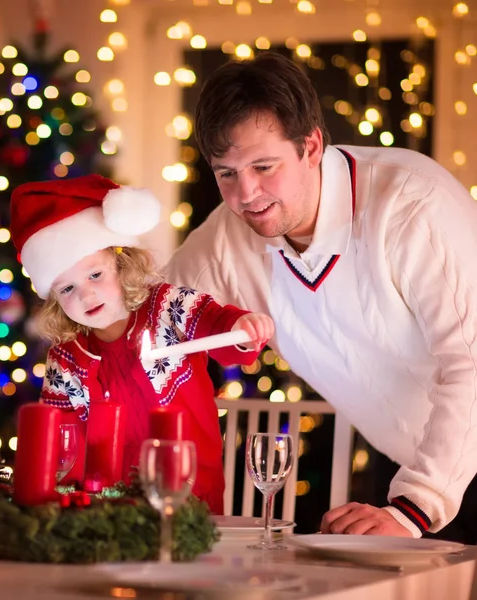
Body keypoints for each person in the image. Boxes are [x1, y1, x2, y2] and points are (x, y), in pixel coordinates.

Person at [165, 52, 477, 544]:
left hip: (445, 466)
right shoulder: (229, 237)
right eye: (226, 173)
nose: (247, 194)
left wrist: (416, 506)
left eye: (264, 166)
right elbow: (155, 320)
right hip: (405, 457)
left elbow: (472, 362)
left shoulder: (413, 205)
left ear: (311, 145)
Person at [9, 174, 274, 514]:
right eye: (67, 289)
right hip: (107, 507)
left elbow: (218, 328)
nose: (86, 294)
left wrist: (241, 327)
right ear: (54, 299)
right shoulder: (66, 359)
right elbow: (62, 442)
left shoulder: (166, 306)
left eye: (95, 275)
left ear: (121, 266)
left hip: (189, 491)